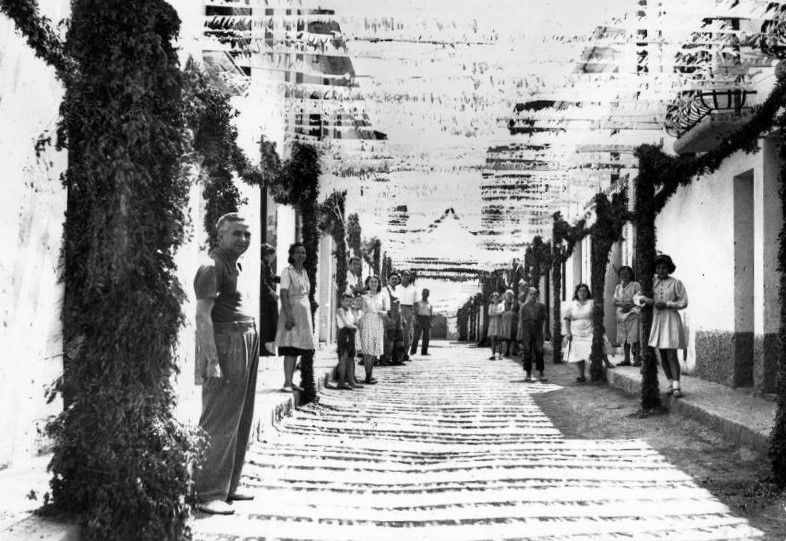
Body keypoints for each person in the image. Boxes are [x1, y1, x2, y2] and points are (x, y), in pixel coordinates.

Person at [193, 213, 259, 515]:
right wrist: (211, 360)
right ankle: (207, 492)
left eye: (247, 234)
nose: (243, 239)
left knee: (241, 415)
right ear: (220, 236)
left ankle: (229, 485)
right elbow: (202, 317)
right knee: (219, 416)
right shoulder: (212, 266)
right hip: (228, 341)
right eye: (236, 234)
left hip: (246, 338)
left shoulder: (236, 264)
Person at [639, 254, 688, 398]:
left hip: (671, 319)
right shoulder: (651, 283)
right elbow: (638, 297)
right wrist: (649, 301)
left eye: (664, 268)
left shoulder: (675, 283)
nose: (661, 270)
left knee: (671, 353)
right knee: (662, 354)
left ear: (669, 269)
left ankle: (677, 386)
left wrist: (668, 304)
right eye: (658, 268)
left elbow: (683, 301)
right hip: (658, 319)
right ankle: (669, 382)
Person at [275, 242, 315, 393]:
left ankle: (291, 382)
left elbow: (305, 293)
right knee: (290, 348)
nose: (301, 255)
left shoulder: (304, 272)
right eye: (297, 252)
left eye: (303, 253)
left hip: (303, 316)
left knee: (298, 347)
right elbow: (283, 294)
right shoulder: (287, 272)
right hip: (291, 312)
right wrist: (288, 315)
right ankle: (286, 382)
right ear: (292, 255)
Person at [360, 275, 388, 384]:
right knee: (368, 350)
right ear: (368, 283)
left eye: (376, 281)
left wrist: (383, 313)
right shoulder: (364, 296)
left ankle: (370, 375)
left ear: (379, 284)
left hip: (378, 322)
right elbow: (360, 310)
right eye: (371, 281)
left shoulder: (382, 295)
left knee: (374, 351)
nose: (373, 283)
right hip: (367, 322)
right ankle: (367, 376)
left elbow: (386, 310)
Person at [564, 283, 593, 382]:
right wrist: (568, 333)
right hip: (576, 332)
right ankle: (582, 375)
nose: (582, 293)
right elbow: (567, 319)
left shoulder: (591, 303)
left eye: (584, 291)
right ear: (577, 292)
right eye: (580, 291)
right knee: (579, 354)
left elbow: (597, 317)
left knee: (591, 351)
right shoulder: (572, 305)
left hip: (589, 331)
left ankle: (594, 373)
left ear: (587, 292)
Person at [613, 265, 641, 367]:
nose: (623, 275)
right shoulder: (618, 287)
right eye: (621, 274)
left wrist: (630, 306)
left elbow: (639, 299)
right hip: (621, 314)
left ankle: (637, 358)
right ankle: (626, 359)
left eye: (626, 273)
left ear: (630, 274)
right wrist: (622, 305)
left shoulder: (635, 285)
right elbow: (614, 301)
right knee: (624, 337)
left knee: (634, 336)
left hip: (633, 313)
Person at [519, 287, 548, 382]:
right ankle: (528, 373)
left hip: (538, 331)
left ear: (537, 295)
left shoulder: (542, 306)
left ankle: (541, 373)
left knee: (539, 352)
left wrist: (541, 332)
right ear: (528, 295)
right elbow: (522, 320)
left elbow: (544, 319)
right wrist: (521, 334)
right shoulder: (524, 306)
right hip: (527, 332)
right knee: (527, 352)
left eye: (535, 294)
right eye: (531, 294)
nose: (533, 296)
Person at [336, 293, 359, 389]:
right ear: (342, 301)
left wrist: (354, 311)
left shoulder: (350, 311)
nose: (348, 303)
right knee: (343, 358)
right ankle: (341, 381)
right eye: (346, 301)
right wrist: (355, 327)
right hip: (344, 334)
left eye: (350, 301)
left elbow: (356, 321)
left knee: (351, 359)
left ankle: (351, 381)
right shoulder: (340, 310)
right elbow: (346, 323)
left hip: (351, 334)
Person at [259, 243, 279, 356]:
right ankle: (263, 348)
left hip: (271, 301)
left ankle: (267, 347)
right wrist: (272, 293)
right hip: (266, 300)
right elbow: (263, 283)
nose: (274, 258)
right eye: (273, 256)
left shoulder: (267, 266)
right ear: (267, 255)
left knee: (272, 324)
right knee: (266, 324)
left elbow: (273, 278)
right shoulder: (261, 265)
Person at [396, 270, 418, 355]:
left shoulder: (413, 289)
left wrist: (415, 315)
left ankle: (405, 353)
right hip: (398, 309)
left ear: (410, 277)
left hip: (409, 310)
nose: (406, 276)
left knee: (407, 332)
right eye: (404, 275)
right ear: (401, 276)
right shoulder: (396, 288)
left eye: (408, 275)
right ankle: (397, 353)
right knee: (398, 331)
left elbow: (416, 303)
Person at [411, 288, 433, 356]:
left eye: (427, 294)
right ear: (422, 294)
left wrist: (430, 322)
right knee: (416, 336)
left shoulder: (430, 304)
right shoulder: (418, 303)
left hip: (427, 319)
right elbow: (415, 312)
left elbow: (431, 313)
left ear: (428, 295)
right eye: (424, 293)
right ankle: (413, 351)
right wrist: (415, 320)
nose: (425, 295)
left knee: (426, 337)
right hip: (419, 318)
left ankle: (424, 352)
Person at [487, 292, 505, 360]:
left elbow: (502, 312)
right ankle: (493, 354)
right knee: (493, 339)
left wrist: (494, 313)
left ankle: (500, 354)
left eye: (496, 298)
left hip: (499, 323)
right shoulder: (490, 306)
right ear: (491, 299)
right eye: (494, 298)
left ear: (499, 298)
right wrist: (497, 313)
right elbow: (489, 313)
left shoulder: (501, 305)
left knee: (499, 339)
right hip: (492, 323)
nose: (495, 299)